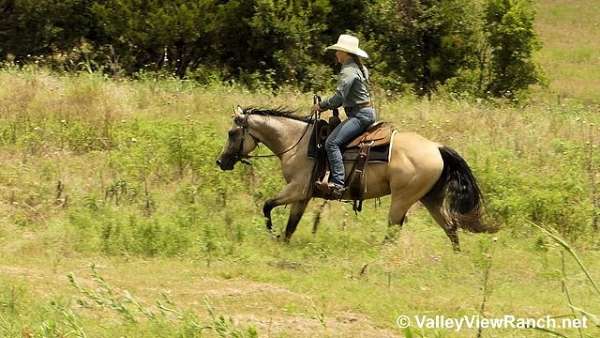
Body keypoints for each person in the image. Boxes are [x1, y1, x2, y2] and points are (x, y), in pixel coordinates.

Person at [311, 34, 377, 198]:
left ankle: (339, 184)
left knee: (331, 143)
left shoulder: (348, 70)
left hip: (360, 115)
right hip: (365, 112)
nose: (336, 54)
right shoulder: (359, 68)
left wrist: (321, 106)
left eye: (338, 51)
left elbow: (339, 98)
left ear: (345, 53)